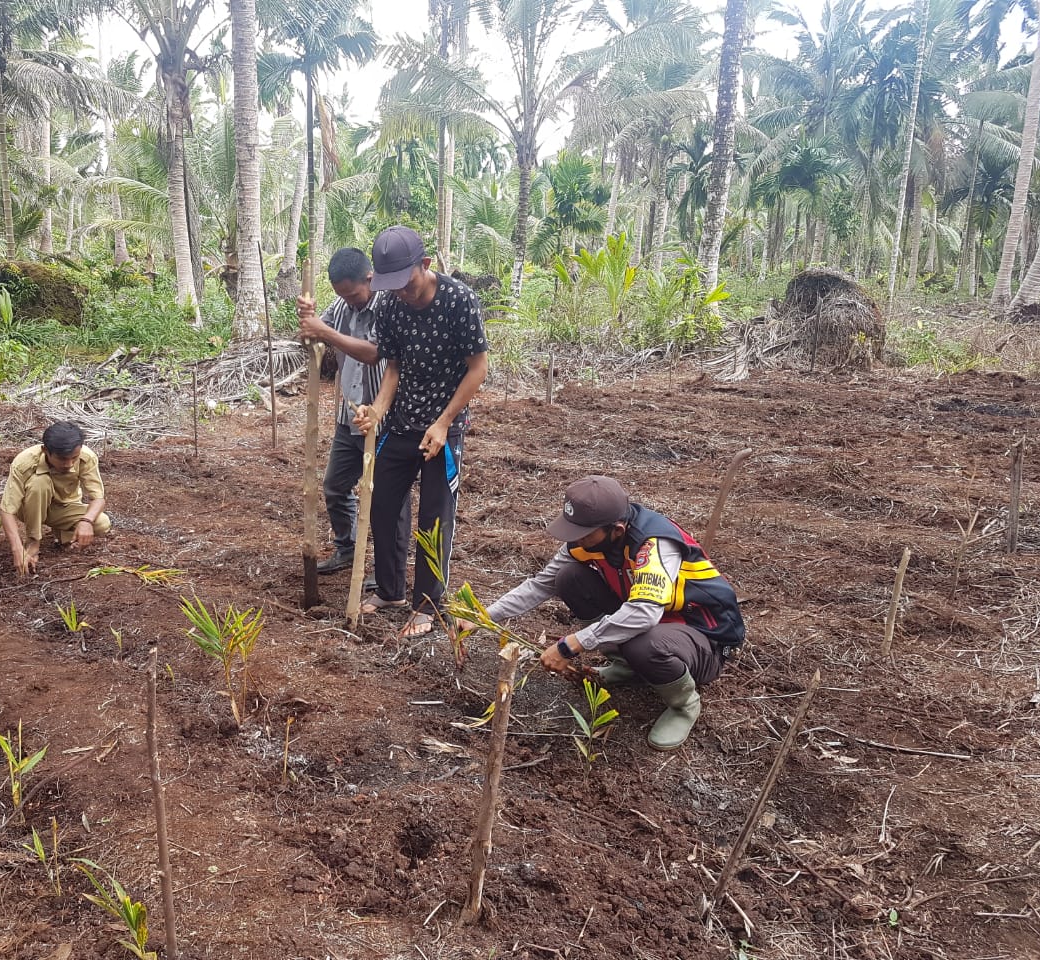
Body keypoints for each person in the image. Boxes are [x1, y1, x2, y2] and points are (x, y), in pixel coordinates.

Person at [473, 476, 745, 751]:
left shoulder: (654, 544)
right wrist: (483, 615)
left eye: (584, 533)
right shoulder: (588, 540)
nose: (575, 539)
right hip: (657, 622)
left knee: (644, 643)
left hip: (704, 639)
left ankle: (684, 705)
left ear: (616, 529)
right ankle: (628, 667)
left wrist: (571, 645)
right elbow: (540, 585)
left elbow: (644, 614)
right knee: (569, 578)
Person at [352, 226, 488, 637]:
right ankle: (390, 590)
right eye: (393, 288)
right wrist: (377, 410)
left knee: (434, 516)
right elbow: (392, 367)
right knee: (382, 504)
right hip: (403, 423)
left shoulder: (459, 301)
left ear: (425, 266)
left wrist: (444, 422)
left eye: (407, 285)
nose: (402, 295)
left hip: (445, 428)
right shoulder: (391, 306)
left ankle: (427, 606)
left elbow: (477, 368)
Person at [296, 248, 411, 584]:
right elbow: (313, 341)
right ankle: (346, 547)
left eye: (353, 293)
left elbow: (376, 353)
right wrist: (308, 324)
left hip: (383, 419)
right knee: (335, 485)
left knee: (387, 499)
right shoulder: (343, 306)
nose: (349, 301)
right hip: (349, 417)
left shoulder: (389, 306)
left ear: (370, 279)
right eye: (341, 295)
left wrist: (324, 331)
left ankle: (388, 571)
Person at [0, 421, 110, 575]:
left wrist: (86, 521)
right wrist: (17, 548)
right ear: (45, 450)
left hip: (64, 508)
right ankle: (33, 542)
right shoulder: (25, 462)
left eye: (74, 458)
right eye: (62, 459)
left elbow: (98, 498)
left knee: (102, 523)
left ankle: (65, 537)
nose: (69, 464)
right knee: (39, 483)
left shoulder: (87, 457)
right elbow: (7, 510)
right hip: (30, 509)